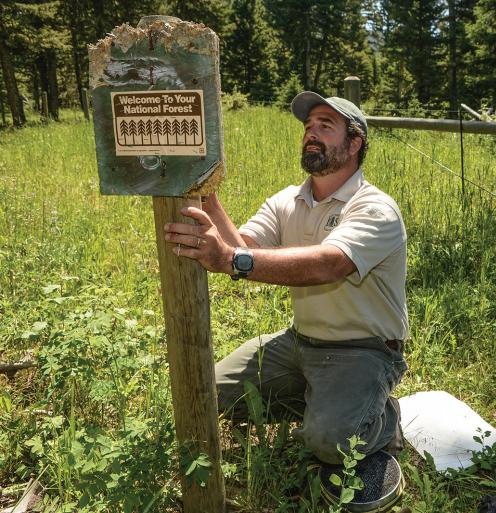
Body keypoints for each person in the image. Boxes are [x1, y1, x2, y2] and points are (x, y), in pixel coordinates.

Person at [163, 92, 408, 465]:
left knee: (332, 443)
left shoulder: (374, 207)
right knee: (209, 393)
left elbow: (330, 264)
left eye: (326, 126)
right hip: (300, 342)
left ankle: (382, 418)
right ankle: (324, 403)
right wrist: (206, 196)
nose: (312, 133)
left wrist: (230, 259)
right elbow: (244, 247)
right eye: (309, 127)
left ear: (355, 142)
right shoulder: (287, 201)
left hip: (364, 351)